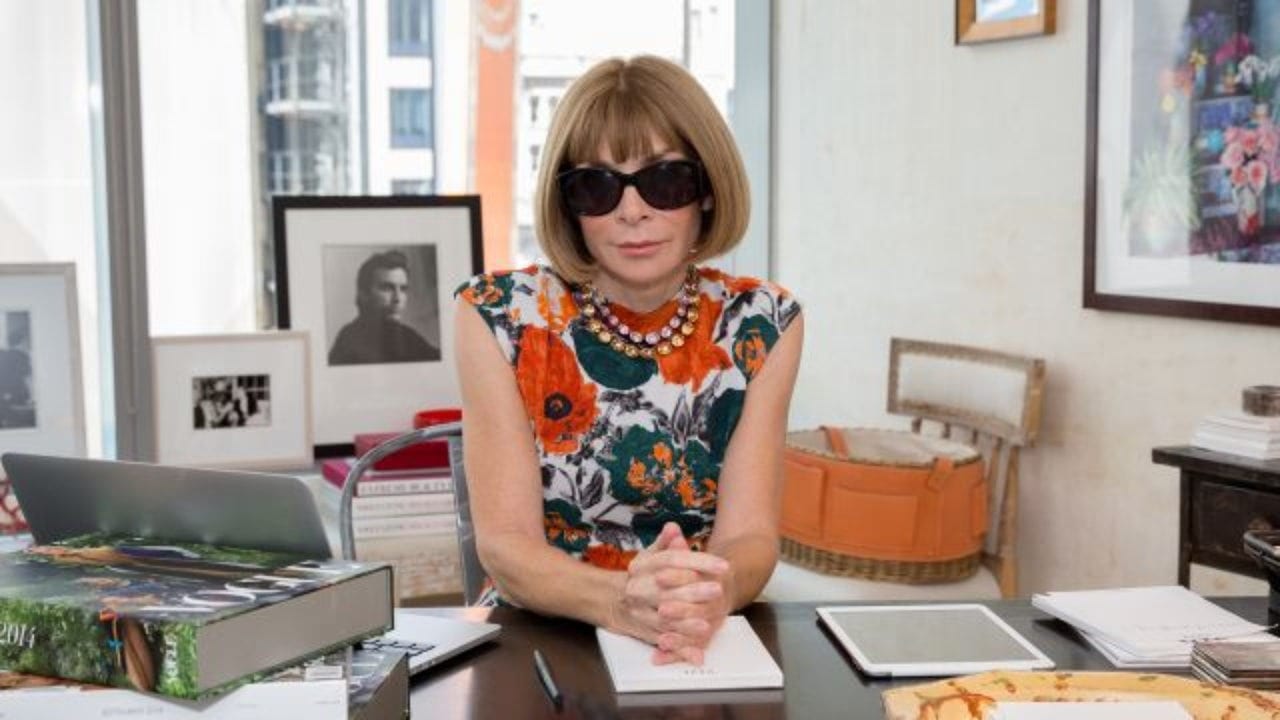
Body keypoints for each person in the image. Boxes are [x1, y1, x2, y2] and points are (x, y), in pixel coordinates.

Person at [455, 55, 803, 666]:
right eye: (598, 186)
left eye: (664, 181)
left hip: (695, 630)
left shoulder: (764, 322)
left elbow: (749, 537)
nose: (633, 211)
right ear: (569, 205)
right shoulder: (498, 315)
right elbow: (506, 546)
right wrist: (622, 602)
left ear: (707, 191)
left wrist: (710, 596)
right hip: (541, 634)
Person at [329, 250, 440, 365]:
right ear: (364, 294)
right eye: (387, 288)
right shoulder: (350, 340)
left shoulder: (408, 337)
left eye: (403, 289)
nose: (397, 298)